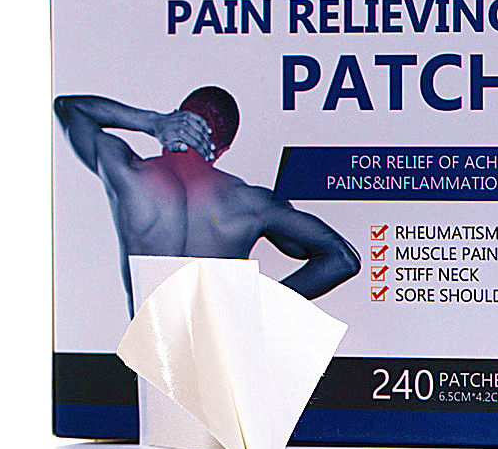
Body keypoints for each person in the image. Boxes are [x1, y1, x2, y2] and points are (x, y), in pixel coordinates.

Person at [54, 88, 361, 316]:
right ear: (223, 149)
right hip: (223, 365)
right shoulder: (252, 203)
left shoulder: (128, 174)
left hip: (153, 365)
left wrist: (153, 122)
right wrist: (261, 307)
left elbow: (69, 107)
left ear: (177, 117)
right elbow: (343, 259)